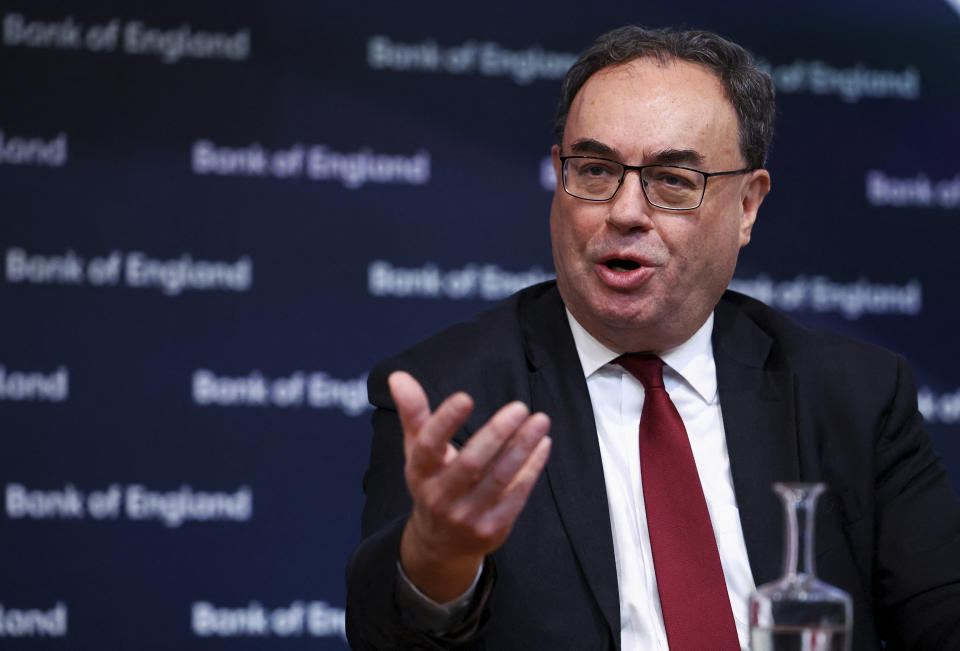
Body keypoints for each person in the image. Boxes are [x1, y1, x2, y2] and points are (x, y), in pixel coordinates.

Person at [345, 25, 960, 650]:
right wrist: (436, 563)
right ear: (559, 176)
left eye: (672, 180)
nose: (626, 211)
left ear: (747, 206)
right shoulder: (454, 395)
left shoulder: (853, 397)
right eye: (594, 169)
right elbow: (385, 636)